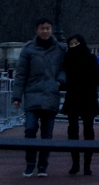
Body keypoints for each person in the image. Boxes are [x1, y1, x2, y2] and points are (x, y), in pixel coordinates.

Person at [11, 18, 66, 177]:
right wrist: (17, 96)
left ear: (51, 30)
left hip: (50, 94)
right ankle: (30, 164)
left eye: (48, 28)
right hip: (32, 94)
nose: (45, 31)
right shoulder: (28, 50)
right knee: (30, 129)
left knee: (47, 133)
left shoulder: (60, 49)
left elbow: (65, 68)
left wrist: (59, 81)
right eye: (42, 28)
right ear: (37, 30)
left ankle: (42, 166)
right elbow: (21, 74)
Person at [62, 34, 99, 176]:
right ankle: (75, 163)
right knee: (72, 130)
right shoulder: (67, 59)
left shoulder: (91, 58)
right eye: (71, 44)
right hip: (73, 97)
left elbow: (98, 77)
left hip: (87, 97)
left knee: (88, 130)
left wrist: (88, 84)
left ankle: (87, 164)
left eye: (76, 43)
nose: (74, 46)